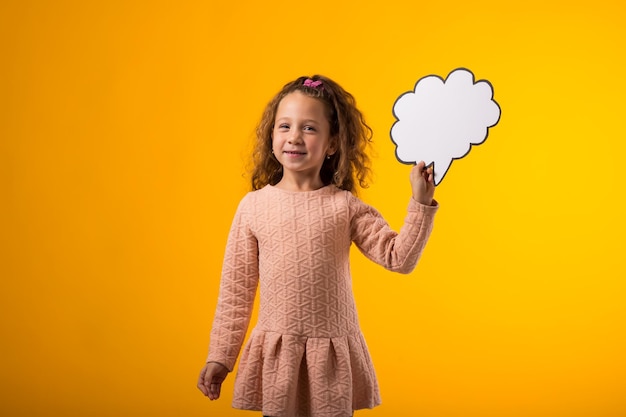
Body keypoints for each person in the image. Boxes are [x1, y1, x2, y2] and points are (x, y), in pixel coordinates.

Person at [197, 75, 438, 417]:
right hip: (278, 356)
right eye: (285, 126)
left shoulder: (345, 207)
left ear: (333, 144)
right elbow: (236, 291)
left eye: (309, 128)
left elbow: (399, 257)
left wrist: (420, 203)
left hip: (330, 360)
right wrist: (220, 356)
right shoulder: (253, 207)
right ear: (271, 135)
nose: (294, 137)